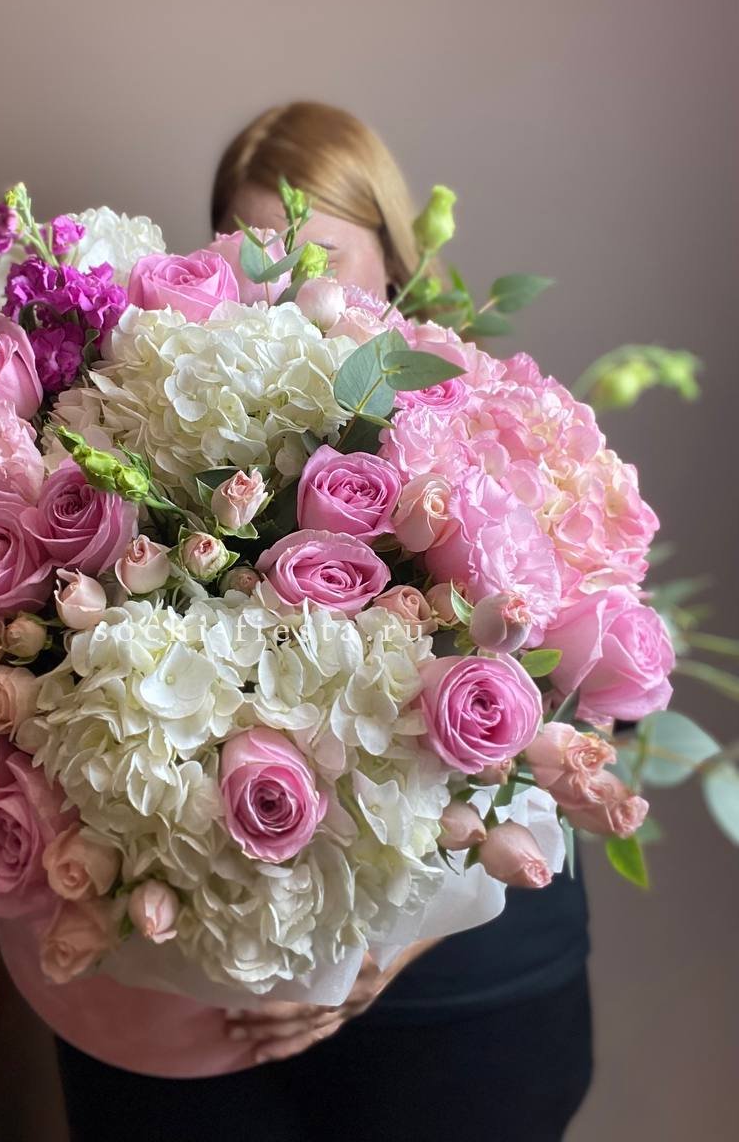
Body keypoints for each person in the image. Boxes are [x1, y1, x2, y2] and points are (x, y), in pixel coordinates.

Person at [46, 101, 593, 1140]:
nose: (291, 279)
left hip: (463, 991)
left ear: (393, 254)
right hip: (222, 1000)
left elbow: (564, 714)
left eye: (323, 255)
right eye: (257, 251)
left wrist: (383, 955)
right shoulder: (176, 414)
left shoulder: (480, 417)